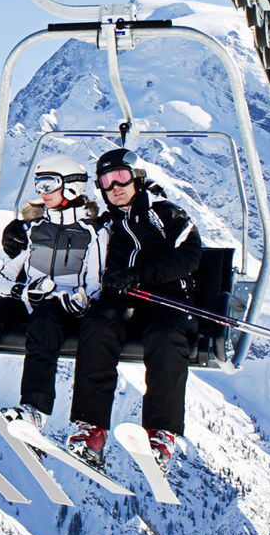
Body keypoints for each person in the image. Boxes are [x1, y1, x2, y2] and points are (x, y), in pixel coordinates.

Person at [0, 154, 105, 446]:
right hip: (31, 300)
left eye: (49, 184)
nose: (42, 192)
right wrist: (20, 291)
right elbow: (5, 277)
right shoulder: (34, 230)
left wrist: (69, 298)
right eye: (38, 185)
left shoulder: (92, 234)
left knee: (44, 325)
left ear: (71, 187)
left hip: (65, 310)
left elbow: (95, 287)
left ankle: (34, 410)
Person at [66, 148, 201, 470]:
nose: (115, 187)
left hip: (164, 298)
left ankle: (160, 433)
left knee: (167, 335)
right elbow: (67, 241)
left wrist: (140, 274)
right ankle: (91, 430)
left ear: (137, 178)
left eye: (121, 177)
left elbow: (188, 256)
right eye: (107, 181)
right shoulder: (104, 223)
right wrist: (19, 235)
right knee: (98, 324)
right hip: (120, 299)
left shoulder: (167, 214)